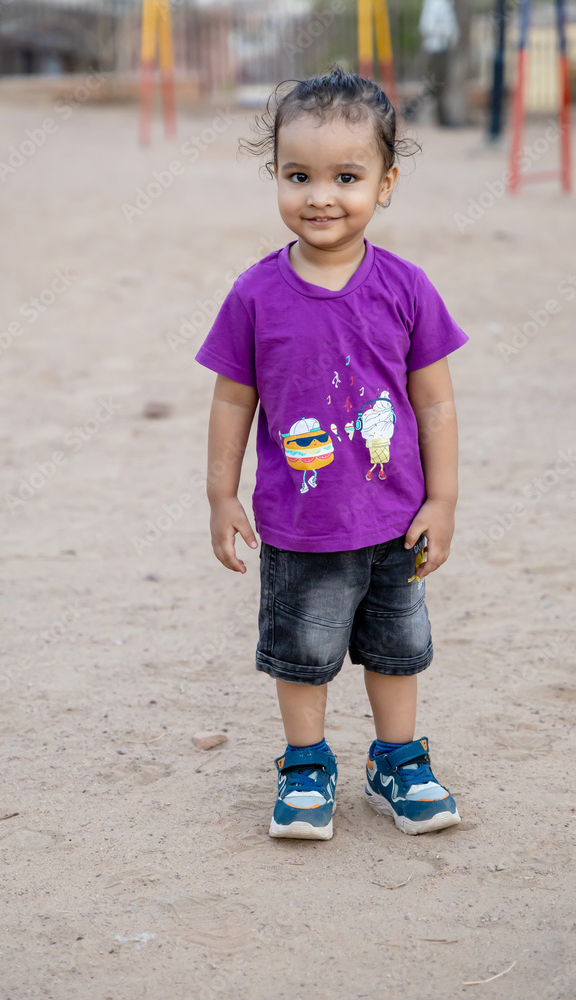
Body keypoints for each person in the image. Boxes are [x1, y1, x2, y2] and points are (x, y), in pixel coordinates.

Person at [195, 64, 469, 841]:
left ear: (384, 184)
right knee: (303, 651)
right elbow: (232, 402)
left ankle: (397, 760)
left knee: (397, 649)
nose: (320, 196)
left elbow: (434, 403)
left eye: (346, 177)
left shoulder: (406, 288)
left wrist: (442, 499)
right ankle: (305, 764)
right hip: (301, 524)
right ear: (276, 177)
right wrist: (220, 495)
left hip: (395, 519)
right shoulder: (255, 295)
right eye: (298, 176)